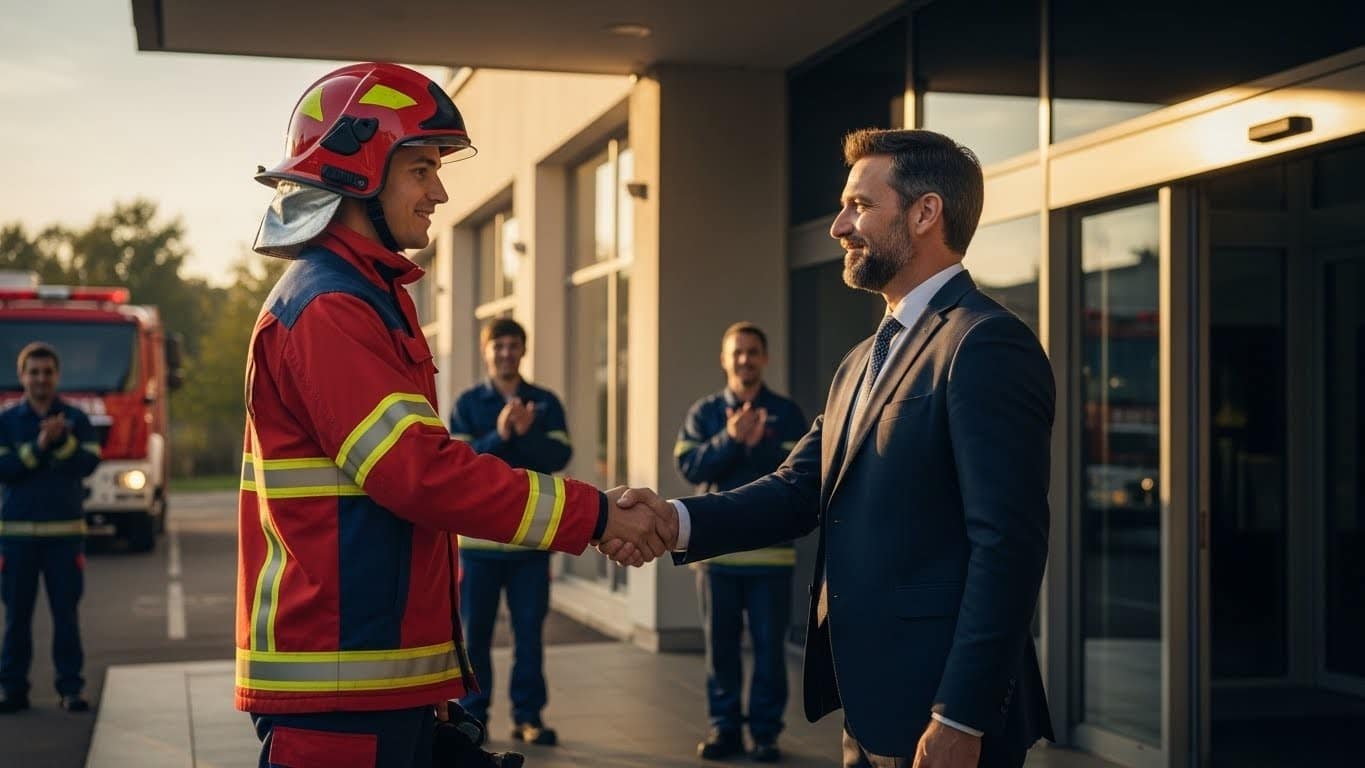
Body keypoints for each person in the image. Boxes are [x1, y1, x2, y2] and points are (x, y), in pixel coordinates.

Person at [239, 61, 666, 768]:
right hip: (341, 680)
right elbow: (417, 475)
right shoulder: (331, 307)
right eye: (420, 169)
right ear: (359, 174)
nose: (438, 191)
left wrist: (430, 675)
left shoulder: (362, 293)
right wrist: (593, 516)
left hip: (374, 674)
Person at [606, 129, 1056, 768]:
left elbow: (1009, 544)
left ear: (926, 213)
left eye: (860, 206)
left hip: (941, 717)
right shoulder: (859, 362)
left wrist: (962, 713)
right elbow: (796, 489)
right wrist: (671, 520)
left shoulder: (984, 344)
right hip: (868, 707)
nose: (840, 226)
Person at [674, 322, 807, 762]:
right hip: (717, 559)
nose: (745, 359)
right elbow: (689, 467)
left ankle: (765, 733)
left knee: (770, 651)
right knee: (721, 649)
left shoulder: (785, 414)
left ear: (764, 358)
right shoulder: (704, 413)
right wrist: (730, 439)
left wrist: (759, 444)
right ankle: (724, 729)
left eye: (753, 352)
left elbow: (799, 474)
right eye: (738, 352)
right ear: (724, 358)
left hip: (771, 558)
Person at [449, 318, 573, 746]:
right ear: (486, 352)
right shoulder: (467, 404)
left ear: (524, 350)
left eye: (513, 345)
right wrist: (500, 434)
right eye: (497, 345)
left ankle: (529, 717)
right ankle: (472, 717)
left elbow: (559, 455)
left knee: (529, 635)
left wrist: (526, 431)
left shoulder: (545, 403)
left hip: (531, 544)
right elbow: (459, 461)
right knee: (475, 637)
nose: (505, 352)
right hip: (479, 548)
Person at [0, 342, 101, 714]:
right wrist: (41, 445)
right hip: (17, 538)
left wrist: (63, 442)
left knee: (66, 618)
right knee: (15, 620)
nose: (41, 379)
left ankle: (71, 689)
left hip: (64, 537)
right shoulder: (7, 422)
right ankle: (12, 690)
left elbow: (87, 464)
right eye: (34, 372)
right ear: (22, 376)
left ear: (56, 376)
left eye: (47, 372)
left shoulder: (76, 419)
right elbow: (7, 470)